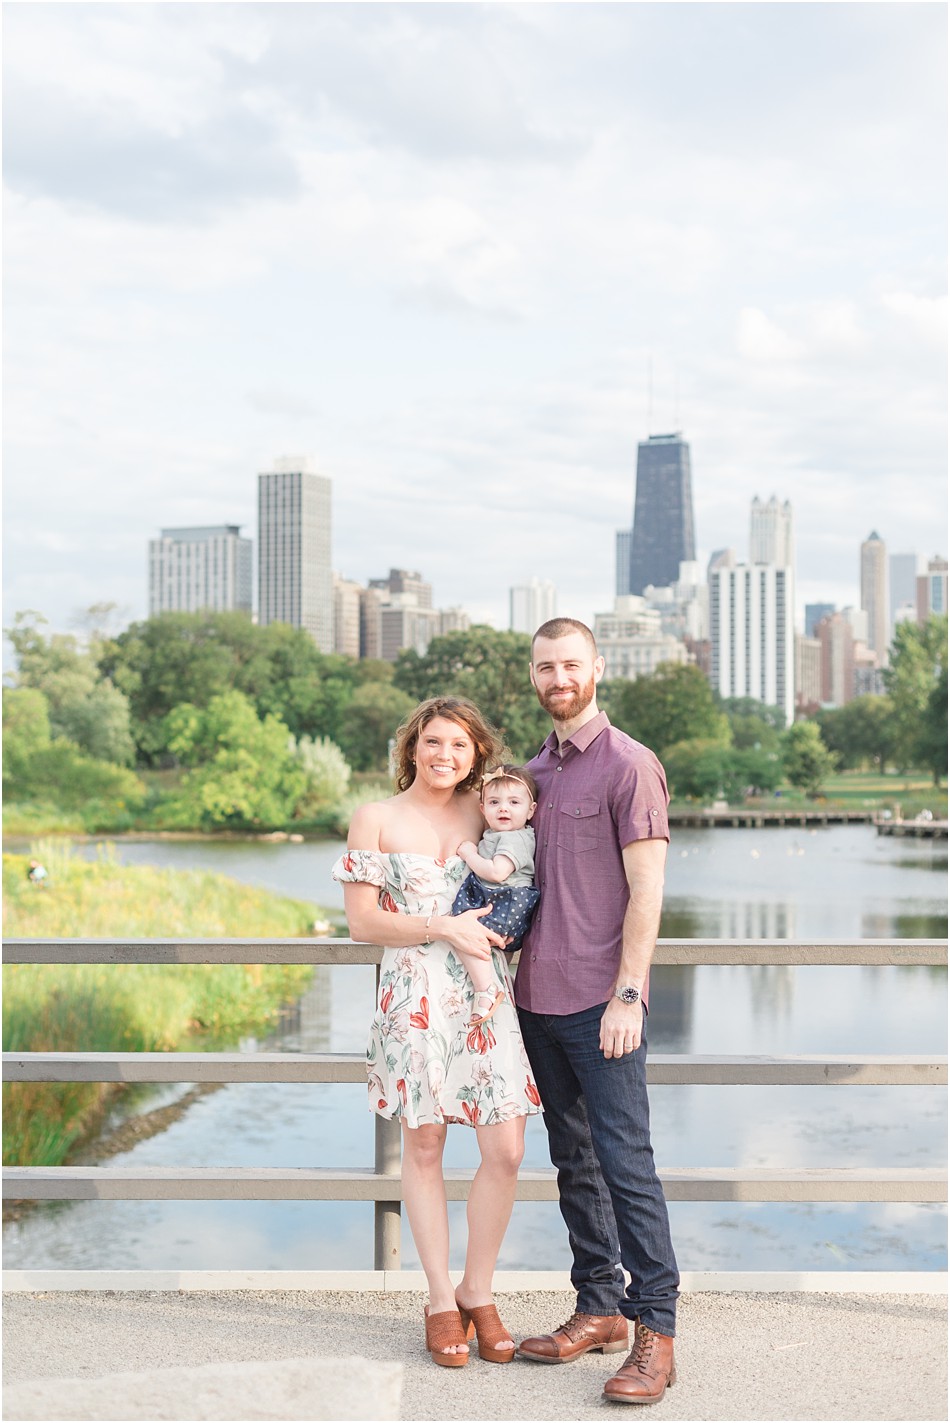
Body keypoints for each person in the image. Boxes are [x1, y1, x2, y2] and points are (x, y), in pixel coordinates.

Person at [333, 696, 542, 1370]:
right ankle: (437, 1300)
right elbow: (362, 923)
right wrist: (441, 926)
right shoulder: (376, 818)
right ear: (411, 746)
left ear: (477, 752)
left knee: (505, 1147)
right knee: (424, 1147)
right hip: (415, 994)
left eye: (459, 744)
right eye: (432, 741)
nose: (444, 754)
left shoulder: (488, 811)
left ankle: (477, 1287)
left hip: (484, 998)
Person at [514, 618, 680, 1406]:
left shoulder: (629, 764)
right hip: (535, 999)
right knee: (572, 1162)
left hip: (599, 1003)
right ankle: (599, 1304)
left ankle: (656, 1331)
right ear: (536, 675)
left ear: (596, 668)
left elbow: (647, 890)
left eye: (570, 663)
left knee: (627, 1166)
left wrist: (628, 992)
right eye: (546, 666)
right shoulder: (534, 770)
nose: (558, 676)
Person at [451, 763, 542, 1022]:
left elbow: (496, 872)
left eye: (514, 802)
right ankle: (500, 983)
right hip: (501, 899)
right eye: (494, 802)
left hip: (507, 900)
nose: (503, 808)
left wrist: (468, 853)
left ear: (530, 810)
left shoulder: (515, 838)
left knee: (466, 932)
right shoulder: (497, 834)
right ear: (482, 809)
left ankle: (486, 989)